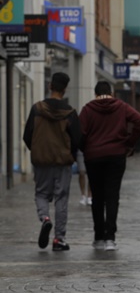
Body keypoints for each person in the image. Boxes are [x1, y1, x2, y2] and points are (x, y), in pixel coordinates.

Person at [79, 80, 140, 251]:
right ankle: (110, 238)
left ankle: (98, 237)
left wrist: (86, 148)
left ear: (95, 94)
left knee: (97, 197)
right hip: (116, 155)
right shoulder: (121, 106)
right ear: (111, 93)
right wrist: (129, 144)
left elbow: (79, 133)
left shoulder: (87, 110)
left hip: (93, 157)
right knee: (112, 196)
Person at [22, 72, 81, 252]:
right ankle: (59, 239)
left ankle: (45, 218)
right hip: (62, 163)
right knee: (61, 199)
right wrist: (70, 156)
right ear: (65, 89)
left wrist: (39, 151)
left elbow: (27, 136)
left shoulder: (37, 109)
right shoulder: (70, 113)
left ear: (50, 86)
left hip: (42, 161)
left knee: (41, 194)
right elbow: (77, 140)